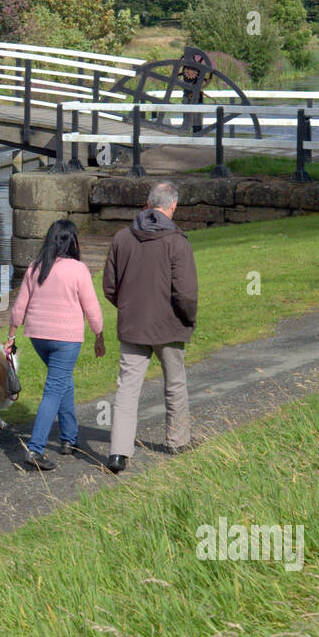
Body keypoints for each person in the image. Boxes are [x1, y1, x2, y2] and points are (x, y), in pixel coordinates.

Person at [102, 181, 198, 474]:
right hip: (168, 325)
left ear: (147, 204)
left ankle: (119, 453)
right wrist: (188, 317)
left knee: (127, 389)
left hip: (133, 325)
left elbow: (109, 286)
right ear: (172, 206)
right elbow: (186, 292)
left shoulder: (122, 238)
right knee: (175, 382)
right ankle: (178, 442)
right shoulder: (177, 241)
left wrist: (130, 309)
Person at [8, 219, 104, 470]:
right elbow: (91, 307)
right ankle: (36, 449)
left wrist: (11, 335)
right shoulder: (78, 269)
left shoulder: (35, 267)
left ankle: (69, 439)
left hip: (39, 337)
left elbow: (19, 306)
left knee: (63, 382)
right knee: (54, 388)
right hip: (66, 340)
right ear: (73, 242)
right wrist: (99, 335)